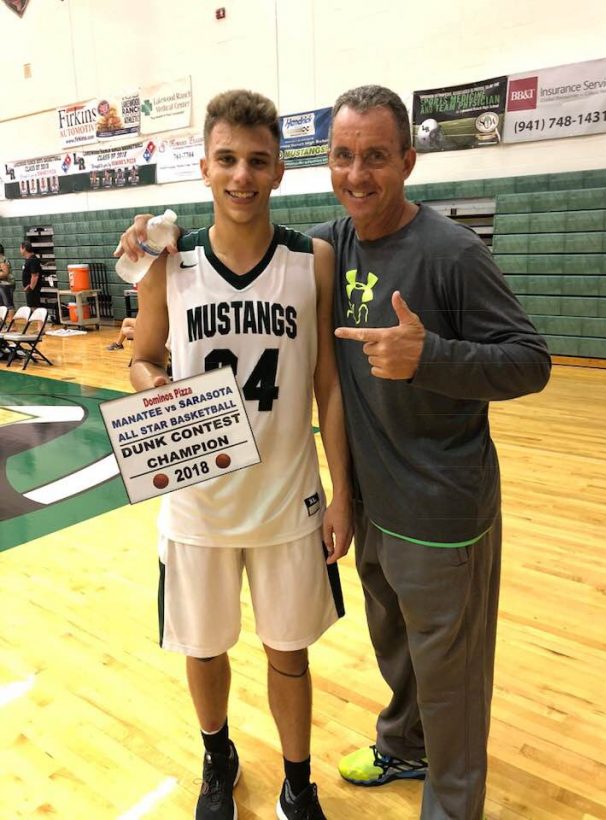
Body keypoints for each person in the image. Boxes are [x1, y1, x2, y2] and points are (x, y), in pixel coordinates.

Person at [116, 84, 551, 820]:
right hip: (312, 499)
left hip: (420, 503)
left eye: (375, 157)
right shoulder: (315, 243)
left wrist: (429, 359)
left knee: (445, 670)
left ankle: (424, 800)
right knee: (387, 649)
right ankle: (372, 744)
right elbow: (193, 289)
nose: (356, 174)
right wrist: (147, 258)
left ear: (408, 160)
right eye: (344, 157)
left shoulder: (423, 252)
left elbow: (525, 362)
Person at [125, 90, 352, 820]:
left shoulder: (311, 260)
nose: (241, 176)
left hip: (287, 499)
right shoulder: (168, 262)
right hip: (197, 499)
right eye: (226, 159)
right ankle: (216, 754)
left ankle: (297, 778)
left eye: (257, 161)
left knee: (289, 653)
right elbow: (141, 358)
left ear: (280, 170)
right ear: (203, 167)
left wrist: (341, 493)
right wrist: (156, 387)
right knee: (205, 645)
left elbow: (327, 385)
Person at [19, 240, 43, 308]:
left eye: (20, 248)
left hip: (33, 290)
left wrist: (30, 288)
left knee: (34, 308)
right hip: (30, 290)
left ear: (24, 249)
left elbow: (35, 276)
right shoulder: (29, 259)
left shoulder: (33, 260)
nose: (20, 250)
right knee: (31, 307)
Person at [0, 243, 16, 322]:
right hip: (2, 285)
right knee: (1, 306)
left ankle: (12, 326)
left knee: (8, 305)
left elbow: (5, 273)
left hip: (6, 285)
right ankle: (3, 325)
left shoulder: (2, 259)